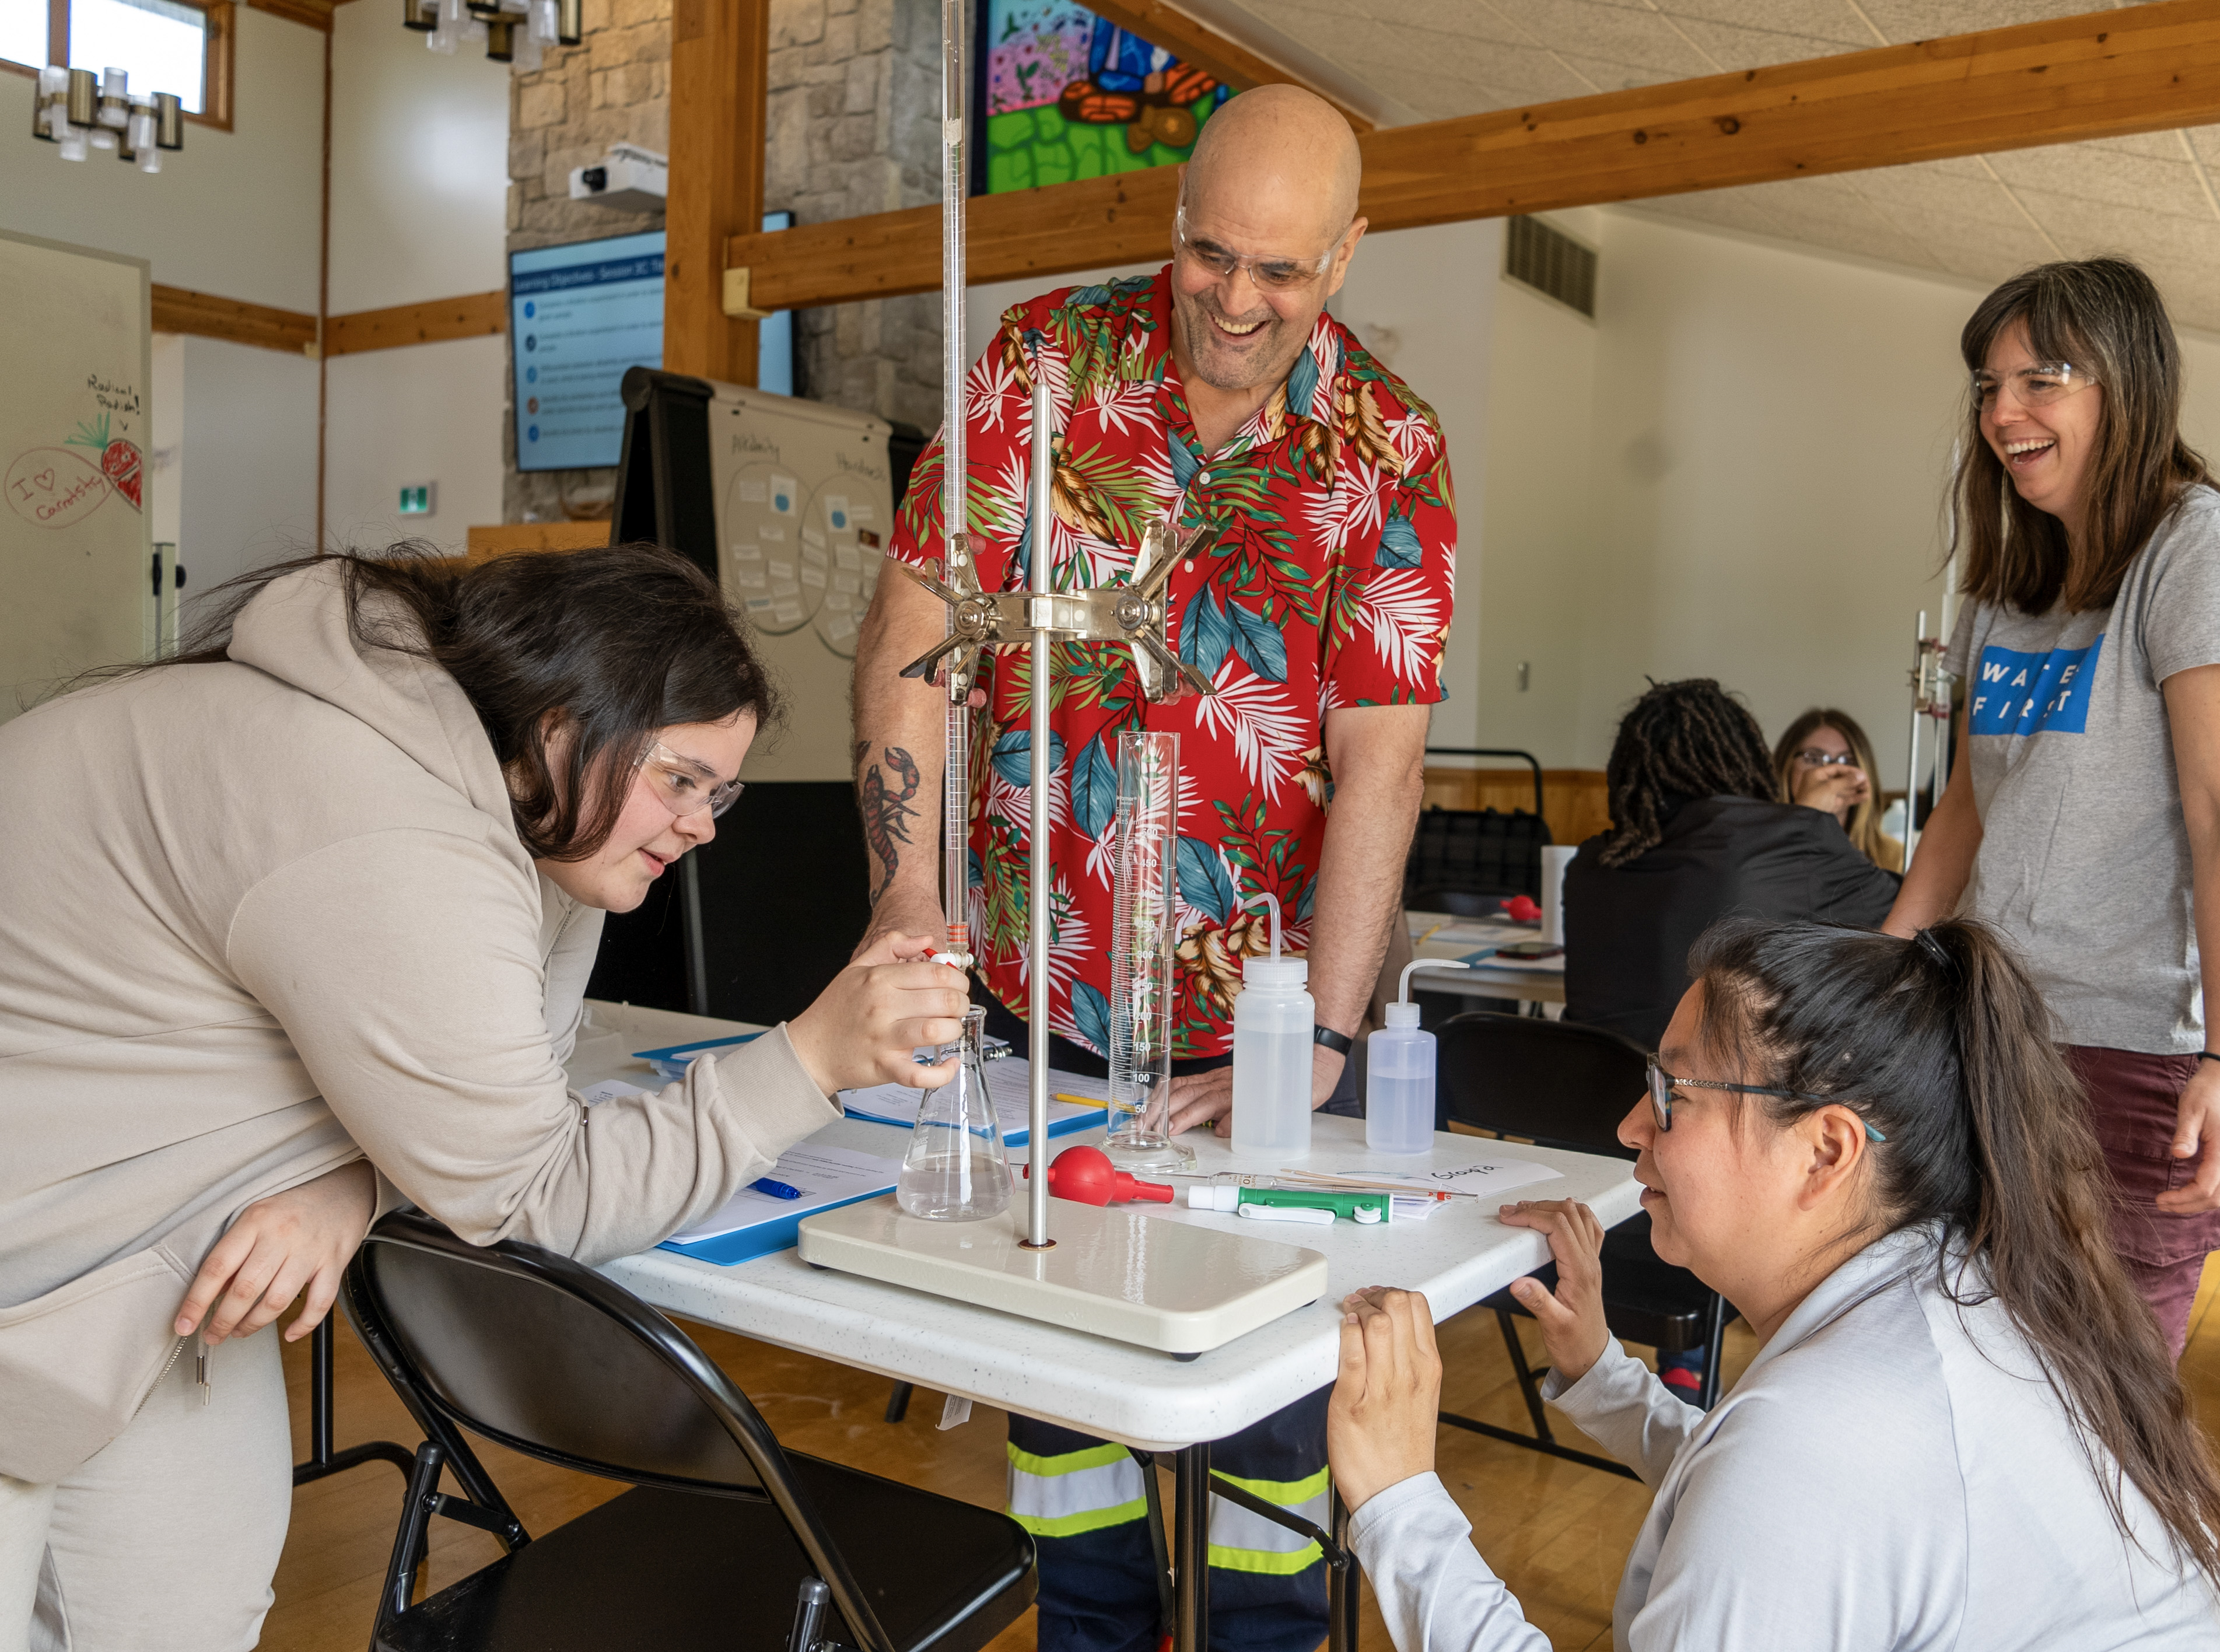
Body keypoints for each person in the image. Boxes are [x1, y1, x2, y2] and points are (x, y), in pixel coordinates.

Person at [0, 547, 966, 1652]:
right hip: (40, 1256)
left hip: (136, 1258)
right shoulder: (387, 826)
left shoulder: (509, 800)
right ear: (559, 723)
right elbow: (530, 1186)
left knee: (182, 1610)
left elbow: (491, 1091)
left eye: (721, 791)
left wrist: (347, 1181)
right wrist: (811, 1061)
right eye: (681, 778)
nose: (705, 825)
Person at [851, 82, 1455, 1652]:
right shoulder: (1040, 362)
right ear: (1171, 220)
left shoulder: (1389, 448)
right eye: (1211, 254)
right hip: (1042, 1004)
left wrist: (1319, 1035)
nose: (1239, 301)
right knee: (1068, 1429)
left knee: (1264, 1449)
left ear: (1350, 252)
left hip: (1255, 1045)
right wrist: (905, 898)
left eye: (1285, 270)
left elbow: (1381, 757)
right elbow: (917, 631)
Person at [1327, 917, 2220, 1651]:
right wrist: (1604, 1374)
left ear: (1825, 1152)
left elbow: (1784, 1485)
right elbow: (1779, 1505)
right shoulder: (1956, 1285)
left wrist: (1401, 1500)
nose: (1627, 1128)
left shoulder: (1823, 1433)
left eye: (1672, 1097)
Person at [1883, 257, 2220, 1358]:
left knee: (2106, 1390)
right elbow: (1966, 811)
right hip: (2001, 1023)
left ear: (2125, 384)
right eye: (1988, 385)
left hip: (2145, 1048)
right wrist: (1877, 976)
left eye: (2041, 380)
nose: (2003, 413)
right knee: (1984, 1350)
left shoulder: (2205, 553)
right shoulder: (2012, 583)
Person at [1563, 680, 1900, 1050]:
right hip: (1716, 1096)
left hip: (1597, 1096)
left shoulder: (1588, 864)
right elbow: (1913, 912)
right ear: (1749, 760)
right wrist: (1804, 821)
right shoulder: (1783, 839)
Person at [1771, 706, 1902, 871]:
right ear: (1787, 766)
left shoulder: (1893, 856)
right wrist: (1807, 816)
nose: (1831, 771)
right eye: (1814, 758)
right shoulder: (1762, 848)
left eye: (1846, 761)